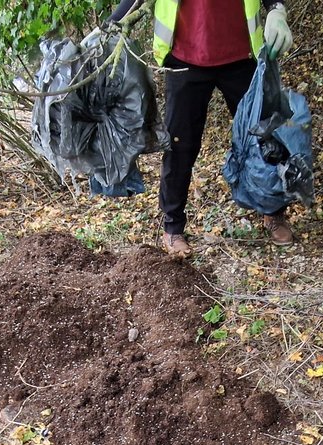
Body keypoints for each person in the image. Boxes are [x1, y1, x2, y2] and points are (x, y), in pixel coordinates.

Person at [109, 0, 295, 257]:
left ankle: (273, 211)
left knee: (263, 138)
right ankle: (173, 226)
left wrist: (277, 8)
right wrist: (111, 25)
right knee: (179, 145)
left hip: (241, 55)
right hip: (185, 59)